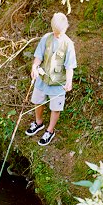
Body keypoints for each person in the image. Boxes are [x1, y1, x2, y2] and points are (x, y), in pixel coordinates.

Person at [25, 12, 77, 146]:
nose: (56, 35)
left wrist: (69, 82)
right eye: (54, 32)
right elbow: (38, 56)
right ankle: (38, 122)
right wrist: (34, 67)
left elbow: (70, 66)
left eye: (58, 33)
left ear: (65, 29)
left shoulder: (68, 44)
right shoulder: (46, 38)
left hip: (58, 84)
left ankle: (50, 130)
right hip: (42, 79)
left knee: (55, 108)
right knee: (38, 101)